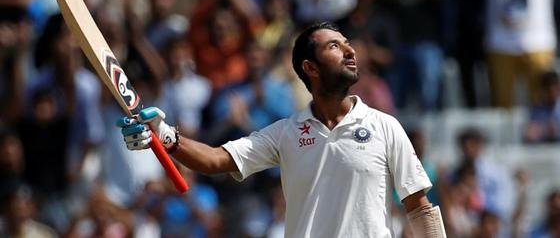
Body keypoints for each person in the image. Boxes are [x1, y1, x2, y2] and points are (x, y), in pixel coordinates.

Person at [117, 22, 446, 237]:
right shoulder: (286, 133)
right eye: (334, 46)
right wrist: (166, 136)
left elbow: (419, 207)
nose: (350, 50)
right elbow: (216, 159)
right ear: (310, 68)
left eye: (347, 44)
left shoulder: (385, 126)